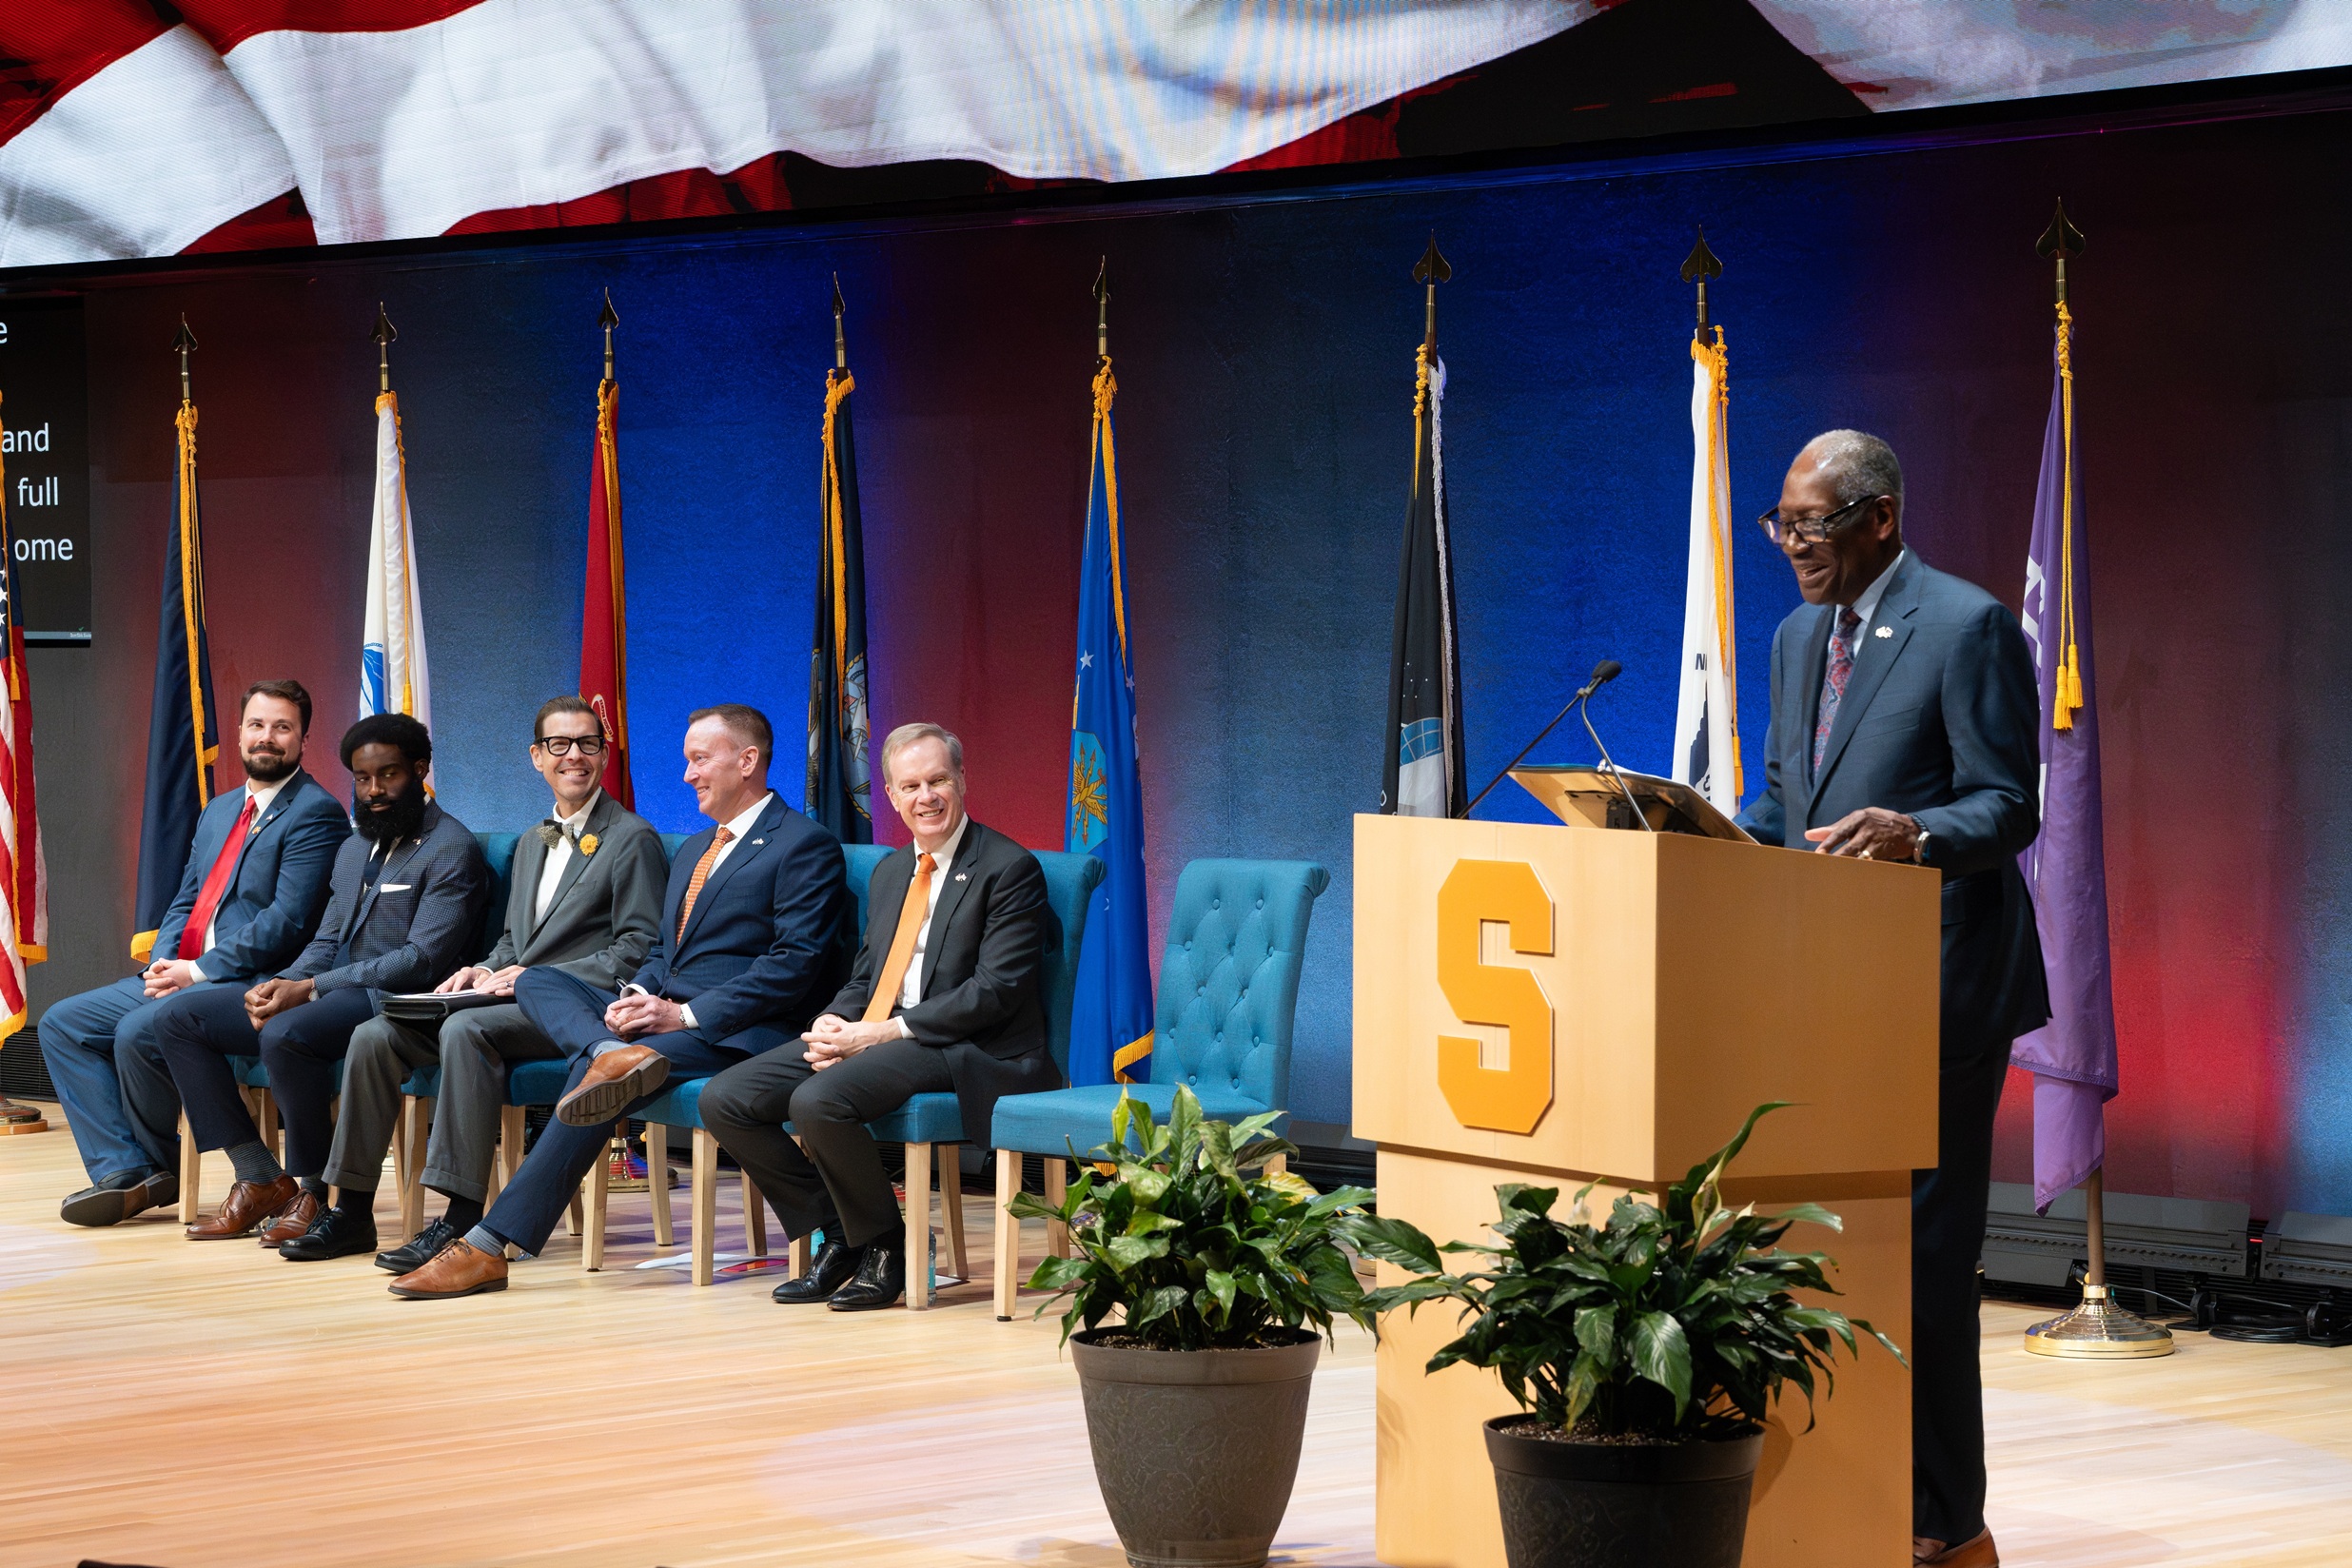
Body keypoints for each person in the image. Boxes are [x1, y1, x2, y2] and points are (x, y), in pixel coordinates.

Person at [1735, 430, 2047, 1568]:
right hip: (1824, 993)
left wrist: (1918, 834)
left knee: (1920, 1262)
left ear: (1881, 517)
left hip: (1941, 994)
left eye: (1811, 524)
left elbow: (2010, 804)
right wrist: (1689, 837)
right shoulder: (1788, 638)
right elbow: (1782, 803)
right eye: (1782, 524)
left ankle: (1948, 1526)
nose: (1792, 546)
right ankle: (1849, 1496)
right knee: (1829, 1257)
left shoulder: (1962, 625)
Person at [386, 703, 849, 1300]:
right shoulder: (695, 850)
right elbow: (661, 951)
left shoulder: (803, 844)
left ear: (749, 761)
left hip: (739, 1029)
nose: (688, 775)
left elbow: (794, 966)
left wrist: (682, 1014)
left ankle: (486, 1245)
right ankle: (606, 1047)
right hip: (661, 1022)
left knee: (596, 1078)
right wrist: (636, 996)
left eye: (700, 760)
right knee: (535, 980)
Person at [280, 696, 667, 1266]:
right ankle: (352, 1213)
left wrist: (535, 976)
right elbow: (516, 941)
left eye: (587, 743)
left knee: (466, 1031)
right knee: (376, 1034)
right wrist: (484, 968)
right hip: (510, 998)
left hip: (578, 1008)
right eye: (558, 745)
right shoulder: (532, 842)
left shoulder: (632, 838)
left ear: (604, 754)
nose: (574, 756)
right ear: (537, 757)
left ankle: (462, 1219)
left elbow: (637, 949)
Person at [705, 722, 1052, 1311]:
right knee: (727, 1099)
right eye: (911, 786)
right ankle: (840, 1233)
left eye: (939, 780)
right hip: (879, 1032)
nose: (927, 797)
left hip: (968, 1046)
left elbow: (996, 992)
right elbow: (868, 976)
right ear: (891, 796)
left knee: (818, 1101)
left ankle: (890, 1247)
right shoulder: (893, 872)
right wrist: (832, 1025)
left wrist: (885, 1031)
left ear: (962, 782)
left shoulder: (1008, 869)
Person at [151, 713, 489, 1245]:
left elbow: (422, 959)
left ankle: (315, 1191)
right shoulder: (355, 847)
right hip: (330, 992)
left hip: (393, 1001)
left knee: (288, 1033)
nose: (374, 791)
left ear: (420, 769)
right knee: (178, 1016)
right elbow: (328, 940)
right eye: (361, 778)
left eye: (389, 775)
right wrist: (279, 983)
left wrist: (307, 990)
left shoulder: (450, 846)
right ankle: (259, 1174)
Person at [43, 681, 347, 1227]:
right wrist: (163, 963)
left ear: (304, 737)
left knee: (141, 1030)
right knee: (62, 1023)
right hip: (180, 972)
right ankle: (124, 1169)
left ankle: (154, 1172)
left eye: (282, 727)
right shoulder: (220, 810)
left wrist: (196, 971)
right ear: (238, 732)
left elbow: (286, 921)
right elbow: (185, 898)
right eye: (257, 725)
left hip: (248, 980)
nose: (267, 738)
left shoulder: (316, 813)